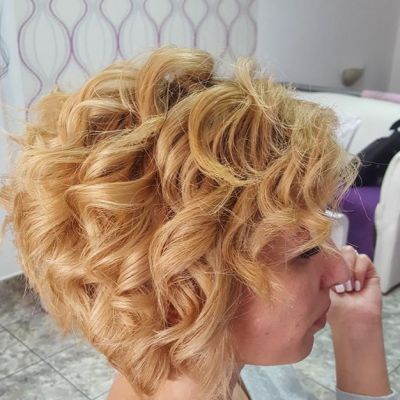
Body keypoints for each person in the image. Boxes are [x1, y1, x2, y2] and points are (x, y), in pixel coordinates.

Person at [0, 46, 397, 400]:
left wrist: (358, 333)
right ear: (181, 294)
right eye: (305, 251)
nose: (341, 267)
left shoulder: (232, 362)